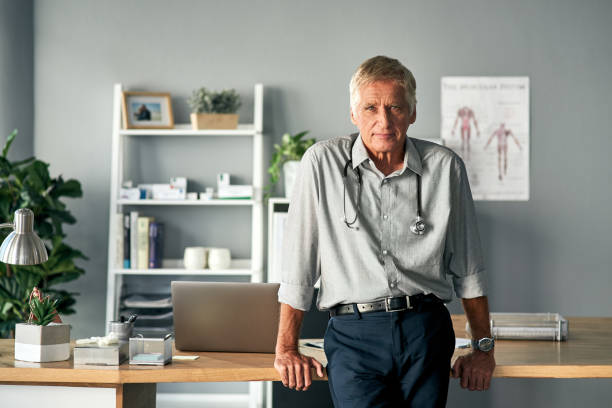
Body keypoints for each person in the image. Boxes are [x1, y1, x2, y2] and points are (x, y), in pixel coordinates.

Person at [274, 55, 495, 407]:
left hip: (426, 329)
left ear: (413, 112)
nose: (384, 120)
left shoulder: (446, 167)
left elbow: (469, 269)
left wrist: (483, 348)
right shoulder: (321, 163)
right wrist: (286, 348)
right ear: (352, 113)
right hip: (353, 335)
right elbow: (299, 268)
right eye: (371, 108)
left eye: (395, 107)